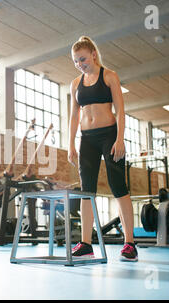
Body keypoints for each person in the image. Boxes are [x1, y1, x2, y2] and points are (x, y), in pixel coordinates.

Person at [68, 36, 138, 262]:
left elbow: (121, 110)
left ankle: (130, 244)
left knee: (118, 185)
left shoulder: (109, 76)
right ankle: (86, 244)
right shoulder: (75, 84)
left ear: (93, 55)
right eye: (76, 61)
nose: (80, 64)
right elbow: (73, 115)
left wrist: (120, 139)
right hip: (86, 138)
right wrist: (70, 144)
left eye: (83, 59)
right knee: (86, 189)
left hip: (109, 135)